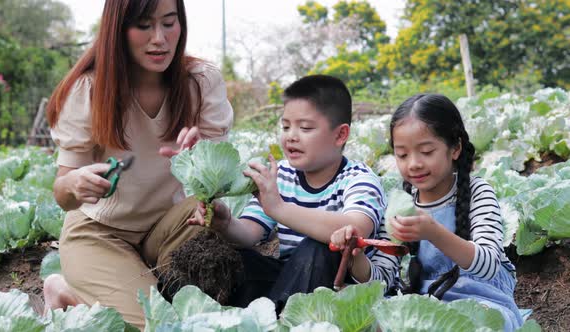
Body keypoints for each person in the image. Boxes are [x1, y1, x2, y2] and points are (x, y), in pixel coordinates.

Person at [42, 0, 233, 328]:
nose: (159, 38)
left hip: (167, 229)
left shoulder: (200, 83)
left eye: (169, 23)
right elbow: (62, 194)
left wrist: (202, 166)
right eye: (144, 26)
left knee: (210, 278)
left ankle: (116, 291)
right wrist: (75, 184)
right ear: (118, 30)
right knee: (153, 324)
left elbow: (218, 183)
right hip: (99, 232)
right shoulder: (89, 89)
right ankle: (64, 292)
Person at [188, 75, 398, 311]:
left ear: (340, 135)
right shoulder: (281, 175)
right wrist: (225, 223)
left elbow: (356, 227)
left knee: (319, 247)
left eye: (305, 127)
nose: (291, 136)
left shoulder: (360, 178)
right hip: (290, 282)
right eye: (286, 126)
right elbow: (250, 233)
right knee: (239, 262)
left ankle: (278, 321)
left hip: (336, 295)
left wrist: (279, 208)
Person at [384, 93, 523, 331]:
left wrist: (434, 232)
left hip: (483, 300)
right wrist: (355, 254)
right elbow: (387, 273)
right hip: (425, 302)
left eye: (426, 152)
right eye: (402, 154)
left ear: (455, 148)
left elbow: (488, 265)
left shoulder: (478, 192)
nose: (414, 163)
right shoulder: (400, 201)